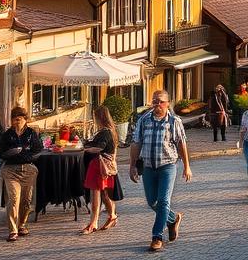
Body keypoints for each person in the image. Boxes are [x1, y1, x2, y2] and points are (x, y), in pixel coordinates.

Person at [128, 89, 192, 252]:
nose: (157, 104)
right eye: (154, 101)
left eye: (160, 101)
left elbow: (181, 143)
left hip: (167, 166)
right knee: (152, 202)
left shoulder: (174, 121)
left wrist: (187, 166)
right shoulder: (144, 120)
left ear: (167, 103)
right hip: (149, 167)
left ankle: (157, 237)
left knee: (163, 201)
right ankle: (172, 219)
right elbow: (136, 143)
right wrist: (132, 165)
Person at [0, 106, 42, 241]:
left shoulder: (31, 133)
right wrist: (10, 153)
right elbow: (1, 153)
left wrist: (27, 156)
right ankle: (13, 230)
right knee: (13, 199)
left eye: (19, 119)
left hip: (28, 170)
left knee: (26, 201)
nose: (16, 122)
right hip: (11, 170)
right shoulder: (7, 135)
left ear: (25, 120)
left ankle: (22, 225)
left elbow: (38, 150)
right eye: (14, 120)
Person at [81, 105, 119, 234]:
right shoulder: (110, 131)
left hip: (100, 165)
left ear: (99, 118)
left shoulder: (105, 132)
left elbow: (99, 148)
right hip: (106, 166)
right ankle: (112, 215)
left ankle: (93, 222)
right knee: (105, 194)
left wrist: (85, 149)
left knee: (95, 194)